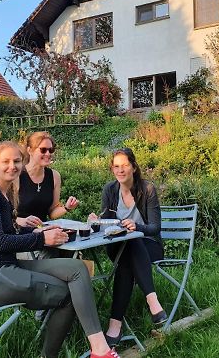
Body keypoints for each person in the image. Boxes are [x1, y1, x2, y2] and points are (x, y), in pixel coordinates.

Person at [0, 141, 119, 358]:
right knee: (68, 294)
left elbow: (8, 238)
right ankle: (77, 353)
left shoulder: (4, 196)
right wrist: (42, 239)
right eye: (5, 161)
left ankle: (99, 349)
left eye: (16, 161)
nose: (12, 166)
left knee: (77, 268)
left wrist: (37, 232)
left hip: (4, 267)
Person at [89, 147, 167, 347]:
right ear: (112, 169)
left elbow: (155, 227)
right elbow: (106, 222)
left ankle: (115, 324)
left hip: (149, 245)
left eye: (124, 165)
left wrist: (136, 227)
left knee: (129, 252)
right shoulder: (110, 190)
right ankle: (153, 302)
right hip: (118, 246)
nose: (120, 170)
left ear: (133, 167)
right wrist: (96, 220)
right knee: (128, 244)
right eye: (116, 166)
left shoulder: (146, 189)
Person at [16, 131, 79, 229]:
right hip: (18, 233)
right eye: (43, 150)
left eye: (51, 150)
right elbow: (4, 215)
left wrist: (67, 208)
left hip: (43, 233)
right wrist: (22, 221)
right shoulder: (16, 176)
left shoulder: (54, 176)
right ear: (30, 150)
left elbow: (52, 212)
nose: (48, 153)